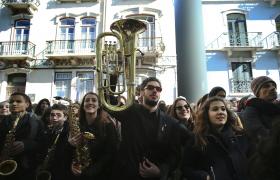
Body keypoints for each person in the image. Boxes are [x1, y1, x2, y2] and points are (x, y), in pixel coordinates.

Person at [110, 77, 181, 180]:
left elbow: (175, 155)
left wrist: (160, 171)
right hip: (126, 175)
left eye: (158, 89)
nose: (155, 90)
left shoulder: (170, 122)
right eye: (150, 87)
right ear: (142, 92)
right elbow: (107, 101)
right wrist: (113, 75)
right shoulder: (129, 111)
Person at [181, 97, 250, 180]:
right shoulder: (197, 139)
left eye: (223, 109)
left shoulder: (240, 135)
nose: (220, 112)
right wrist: (204, 176)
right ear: (206, 114)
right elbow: (187, 168)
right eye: (215, 109)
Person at [68, 92, 118, 180]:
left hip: (101, 174)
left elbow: (111, 153)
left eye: (94, 100)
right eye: (87, 100)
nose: (90, 102)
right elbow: (73, 151)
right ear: (83, 106)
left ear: (99, 106)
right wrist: (73, 162)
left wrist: (91, 172)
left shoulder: (108, 125)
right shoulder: (77, 125)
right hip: (79, 172)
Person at [0, 92, 45, 180]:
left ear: (27, 104)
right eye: (11, 101)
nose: (14, 103)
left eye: (18, 101)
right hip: (5, 162)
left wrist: (26, 144)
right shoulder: (4, 120)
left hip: (26, 166)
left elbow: (43, 144)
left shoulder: (36, 122)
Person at [240, 76, 280, 150]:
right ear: (258, 92)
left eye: (274, 86)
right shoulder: (251, 111)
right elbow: (260, 136)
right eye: (266, 86)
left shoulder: (277, 108)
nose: (272, 88)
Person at [37, 103, 73, 180]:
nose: (54, 118)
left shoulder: (70, 133)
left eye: (58, 115)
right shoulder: (48, 131)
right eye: (52, 115)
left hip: (63, 171)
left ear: (65, 117)